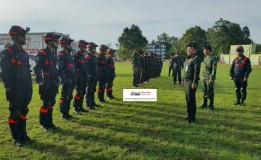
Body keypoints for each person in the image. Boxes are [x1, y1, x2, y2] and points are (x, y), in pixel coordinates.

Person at [0, 25, 32, 146]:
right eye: (23, 36)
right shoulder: (7, 53)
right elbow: (5, 72)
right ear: (15, 36)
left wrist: (29, 87)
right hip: (15, 88)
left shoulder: (24, 54)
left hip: (25, 87)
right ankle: (17, 138)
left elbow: (27, 73)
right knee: (15, 112)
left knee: (24, 111)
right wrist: (8, 88)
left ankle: (24, 135)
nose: (25, 38)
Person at [34, 32, 61, 131]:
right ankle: (44, 124)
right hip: (46, 83)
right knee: (46, 103)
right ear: (49, 41)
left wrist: (58, 80)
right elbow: (37, 68)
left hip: (53, 82)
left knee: (52, 102)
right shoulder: (43, 53)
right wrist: (40, 82)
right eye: (55, 41)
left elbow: (54, 68)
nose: (58, 42)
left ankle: (50, 123)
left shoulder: (53, 54)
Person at [58, 36, 76, 120]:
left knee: (69, 97)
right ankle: (63, 114)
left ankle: (67, 113)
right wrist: (64, 80)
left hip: (71, 79)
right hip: (66, 80)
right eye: (69, 43)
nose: (70, 45)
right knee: (64, 97)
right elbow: (60, 69)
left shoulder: (69, 55)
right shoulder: (61, 55)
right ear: (64, 45)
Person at [183, 43, 201, 123]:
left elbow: (196, 72)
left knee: (191, 100)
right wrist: (183, 79)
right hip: (186, 81)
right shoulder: (187, 59)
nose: (188, 51)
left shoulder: (196, 58)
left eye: (190, 49)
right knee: (188, 99)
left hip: (191, 81)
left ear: (194, 50)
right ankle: (188, 114)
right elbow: (186, 71)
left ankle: (192, 117)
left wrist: (194, 82)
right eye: (187, 49)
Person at [73, 40, 89, 114]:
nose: (86, 48)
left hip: (84, 77)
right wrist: (78, 77)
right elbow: (75, 68)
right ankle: (75, 108)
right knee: (79, 93)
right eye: (85, 47)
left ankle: (80, 106)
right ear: (80, 46)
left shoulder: (83, 56)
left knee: (83, 92)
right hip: (79, 78)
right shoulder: (76, 55)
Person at [200, 45, 217, 110]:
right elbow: (204, 68)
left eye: (204, 50)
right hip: (204, 77)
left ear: (208, 50)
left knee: (210, 91)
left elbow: (214, 69)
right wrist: (202, 75)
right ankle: (204, 103)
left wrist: (211, 78)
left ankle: (211, 104)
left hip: (209, 77)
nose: (203, 51)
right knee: (204, 90)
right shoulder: (205, 58)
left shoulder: (213, 58)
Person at [85, 42, 99, 109]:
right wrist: (90, 75)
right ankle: (89, 104)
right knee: (89, 90)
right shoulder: (88, 57)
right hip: (91, 76)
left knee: (93, 90)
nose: (95, 49)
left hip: (95, 76)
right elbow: (88, 67)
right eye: (94, 48)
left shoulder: (94, 56)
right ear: (90, 48)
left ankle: (92, 102)